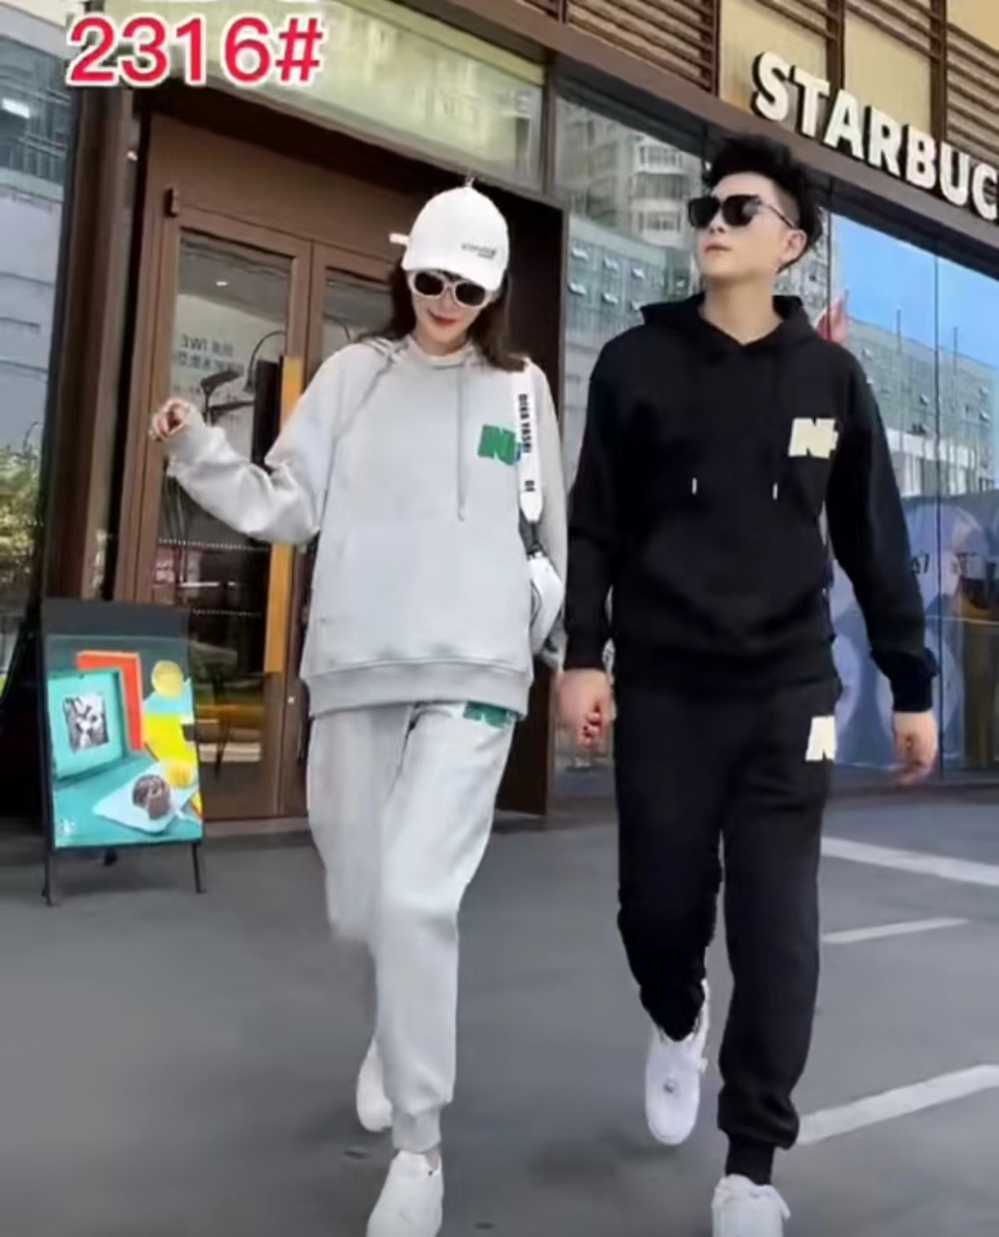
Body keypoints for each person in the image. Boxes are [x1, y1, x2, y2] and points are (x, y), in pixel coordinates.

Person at [151, 184, 566, 1237]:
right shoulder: (353, 377)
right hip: (355, 667)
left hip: (478, 675)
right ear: (404, 271)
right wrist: (198, 449)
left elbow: (549, 536)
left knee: (417, 898)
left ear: (495, 292)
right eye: (431, 278)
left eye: (468, 287)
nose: (446, 300)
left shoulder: (523, 391)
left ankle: (420, 1150)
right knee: (362, 903)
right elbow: (285, 503)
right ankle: (398, 1011)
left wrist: (559, 657)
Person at [558, 135, 938, 1237]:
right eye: (705, 208)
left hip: (789, 693)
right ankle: (676, 1012)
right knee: (656, 907)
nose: (713, 224)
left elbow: (874, 540)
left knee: (778, 927)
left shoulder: (831, 380)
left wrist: (910, 683)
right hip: (665, 688)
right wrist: (584, 653)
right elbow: (594, 524)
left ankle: (751, 1167)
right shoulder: (634, 364)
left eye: (739, 209)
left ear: (791, 244)